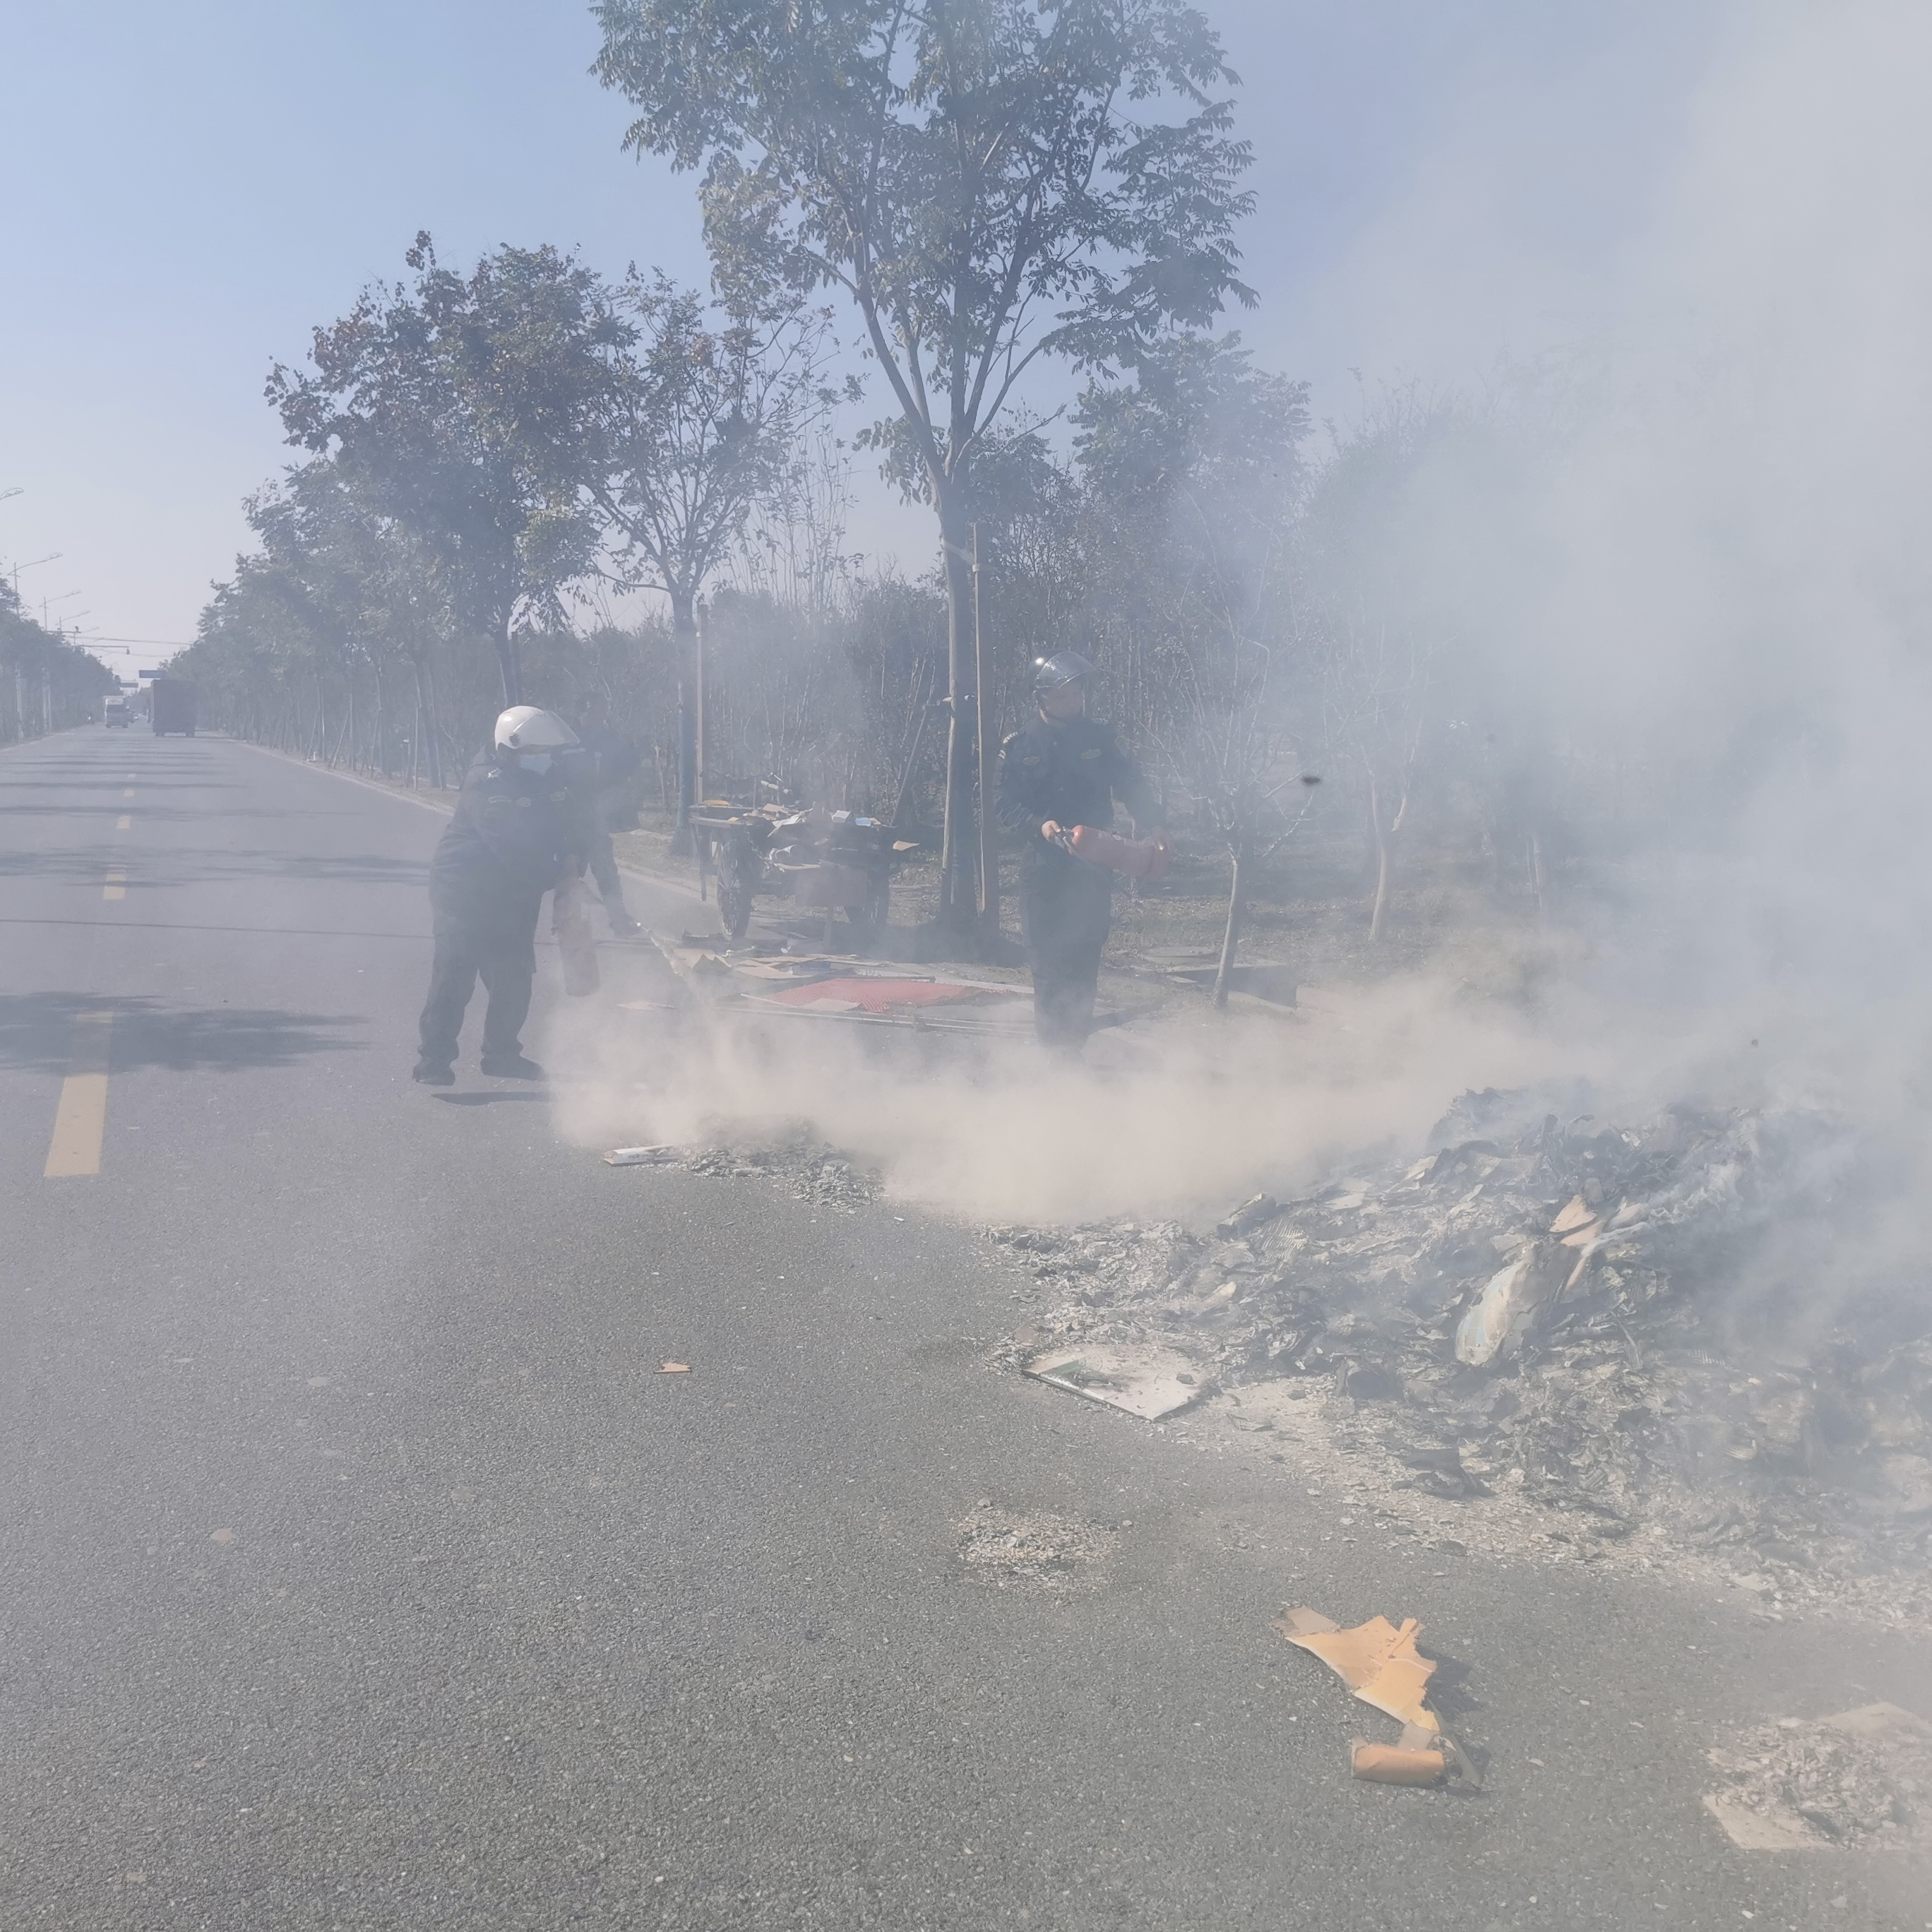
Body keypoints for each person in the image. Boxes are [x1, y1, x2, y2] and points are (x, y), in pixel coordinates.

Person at [412, 706, 597, 1085]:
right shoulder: (486, 784)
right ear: (508, 749)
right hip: (464, 889)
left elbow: (577, 823)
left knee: (514, 974)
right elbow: (512, 848)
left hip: (514, 890)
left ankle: (502, 1056)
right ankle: (434, 1061)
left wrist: (573, 863)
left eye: (547, 752)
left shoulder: (549, 777)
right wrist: (559, 879)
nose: (544, 759)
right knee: (455, 974)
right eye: (535, 752)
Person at [996, 652, 1163, 1053]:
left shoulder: (1099, 739)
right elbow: (1003, 803)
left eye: (1077, 692)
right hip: (1044, 867)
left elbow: (1130, 783)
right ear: (1041, 697)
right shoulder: (1019, 746)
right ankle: (1052, 1050)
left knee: (1084, 958)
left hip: (1093, 864)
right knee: (1047, 961)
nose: (1072, 700)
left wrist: (1155, 822)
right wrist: (1039, 825)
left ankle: (1074, 1051)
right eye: (1062, 693)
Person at [571, 693, 642, 936]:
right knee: (570, 875)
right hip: (570, 822)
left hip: (597, 822)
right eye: (591, 710)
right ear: (579, 713)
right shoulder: (567, 740)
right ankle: (564, 924)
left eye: (601, 711)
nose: (597, 716)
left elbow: (627, 770)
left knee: (607, 874)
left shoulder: (611, 741)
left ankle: (619, 921)